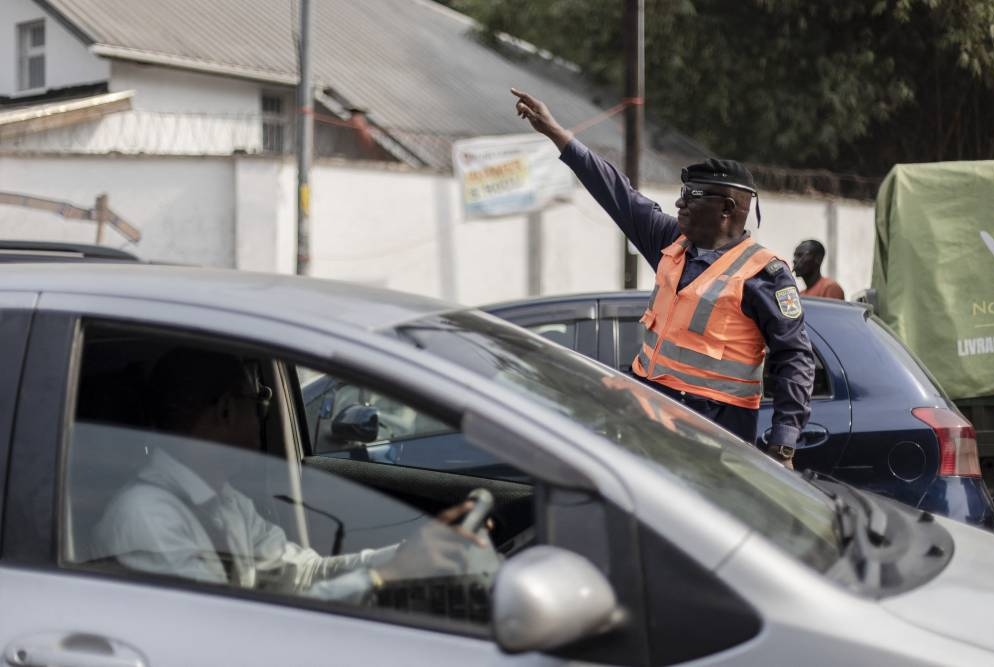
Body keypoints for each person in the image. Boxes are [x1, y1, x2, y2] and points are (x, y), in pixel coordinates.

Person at [511, 88, 815, 469]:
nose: (679, 204)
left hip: (713, 443)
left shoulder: (765, 275)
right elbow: (617, 192)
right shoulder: (671, 241)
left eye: (691, 196)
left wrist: (783, 446)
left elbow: (795, 359)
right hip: (650, 427)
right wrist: (556, 132)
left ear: (726, 209)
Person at [92, 347, 483, 603]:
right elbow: (225, 637)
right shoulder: (146, 516)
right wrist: (382, 577)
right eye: (259, 401)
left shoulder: (223, 501)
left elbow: (304, 574)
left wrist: (405, 555)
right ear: (225, 411)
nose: (262, 416)